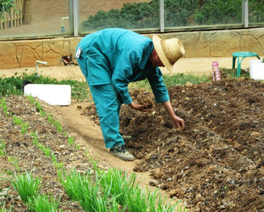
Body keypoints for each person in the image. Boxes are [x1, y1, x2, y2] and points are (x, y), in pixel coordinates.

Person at [75, 28, 186, 161]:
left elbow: (159, 87)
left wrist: (173, 115)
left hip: (106, 53)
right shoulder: (135, 52)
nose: (163, 66)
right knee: (108, 97)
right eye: (164, 62)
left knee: (115, 96)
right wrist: (131, 103)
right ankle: (115, 144)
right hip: (93, 51)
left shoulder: (151, 62)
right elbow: (118, 80)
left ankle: (113, 134)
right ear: (157, 54)